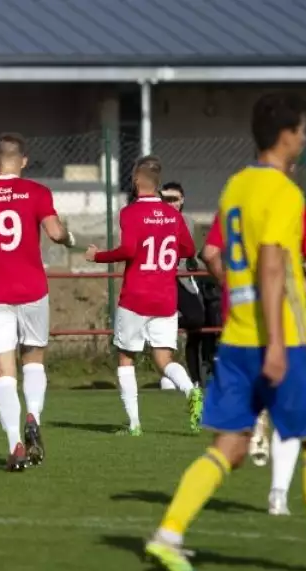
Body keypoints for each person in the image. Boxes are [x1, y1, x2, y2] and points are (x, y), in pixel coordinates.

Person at [146, 92, 306, 571]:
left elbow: (223, 260)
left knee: (232, 445)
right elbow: (270, 267)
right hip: (282, 338)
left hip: (238, 336)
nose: (305, 139)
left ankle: (168, 535)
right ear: (287, 136)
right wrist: (278, 346)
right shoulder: (286, 193)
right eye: (303, 130)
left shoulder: (237, 186)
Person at [202, 202, 306, 516]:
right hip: (283, 318)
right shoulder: (296, 209)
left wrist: (227, 281)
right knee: (293, 415)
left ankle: (174, 526)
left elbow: (209, 253)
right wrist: (303, 280)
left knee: (230, 440)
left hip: (239, 317)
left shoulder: (235, 203)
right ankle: (278, 494)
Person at [0, 133, 75, 470]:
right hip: (33, 289)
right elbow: (55, 232)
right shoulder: (37, 192)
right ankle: (33, 415)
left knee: (5, 371)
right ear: (23, 161)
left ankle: (14, 445)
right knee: (34, 359)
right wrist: (69, 238)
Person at [85, 156, 202, 436]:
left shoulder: (130, 212)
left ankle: (135, 424)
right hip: (165, 298)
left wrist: (97, 255)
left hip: (136, 297)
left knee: (126, 359)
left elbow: (128, 249)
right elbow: (187, 249)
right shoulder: (173, 215)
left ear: (137, 180)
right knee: (164, 359)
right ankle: (191, 392)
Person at [158, 182, 211, 389]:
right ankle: (168, 373)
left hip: (182, 279)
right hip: (160, 280)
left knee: (197, 320)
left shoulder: (188, 222)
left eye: (175, 199)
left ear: (182, 200)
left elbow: (192, 255)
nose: (171, 204)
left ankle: (196, 378)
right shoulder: (153, 220)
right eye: (167, 199)